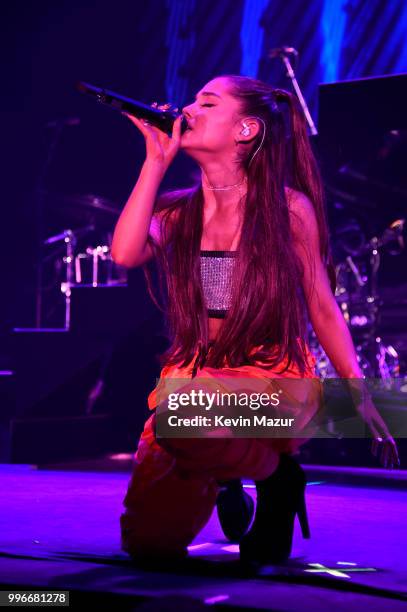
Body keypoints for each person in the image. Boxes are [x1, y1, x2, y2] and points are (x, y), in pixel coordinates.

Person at [111, 75, 399, 565]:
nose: (189, 108)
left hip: (273, 380)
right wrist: (154, 162)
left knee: (186, 414)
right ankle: (230, 475)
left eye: (207, 102)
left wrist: (357, 391)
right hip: (196, 381)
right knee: (148, 543)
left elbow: (321, 304)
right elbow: (124, 254)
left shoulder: (287, 210)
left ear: (245, 129)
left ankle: (277, 477)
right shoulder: (180, 214)